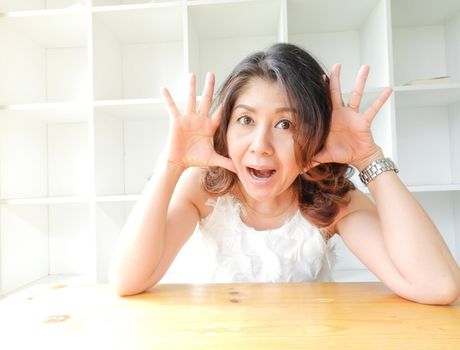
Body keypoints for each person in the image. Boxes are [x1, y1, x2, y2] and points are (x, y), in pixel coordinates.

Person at [109, 43, 460, 305]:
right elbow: (127, 280)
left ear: (314, 132)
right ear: (225, 129)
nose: (261, 145)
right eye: (245, 119)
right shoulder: (204, 188)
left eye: (285, 123)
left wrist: (369, 158)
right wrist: (171, 163)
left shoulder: (330, 200)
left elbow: (438, 285)